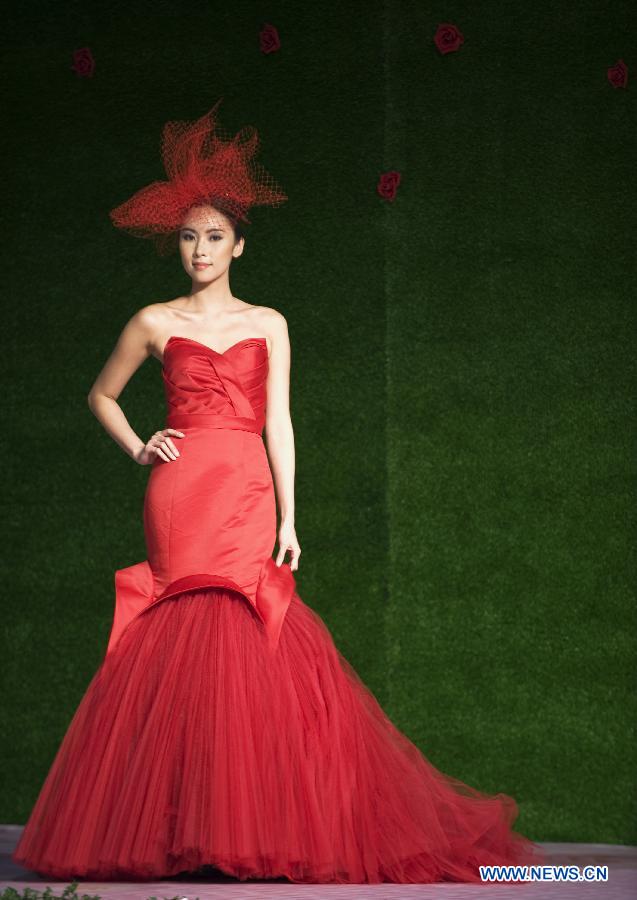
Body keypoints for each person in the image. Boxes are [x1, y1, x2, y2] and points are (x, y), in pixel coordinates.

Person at [12, 100, 544, 885]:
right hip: (180, 487)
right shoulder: (153, 321)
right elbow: (101, 395)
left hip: (246, 488)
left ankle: (246, 829)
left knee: (250, 633)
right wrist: (137, 444)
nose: (199, 249)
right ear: (177, 244)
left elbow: (280, 422)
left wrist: (291, 516)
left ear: (239, 244)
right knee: (178, 636)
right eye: (188, 236)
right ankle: (174, 834)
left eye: (214, 236)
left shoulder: (269, 322)